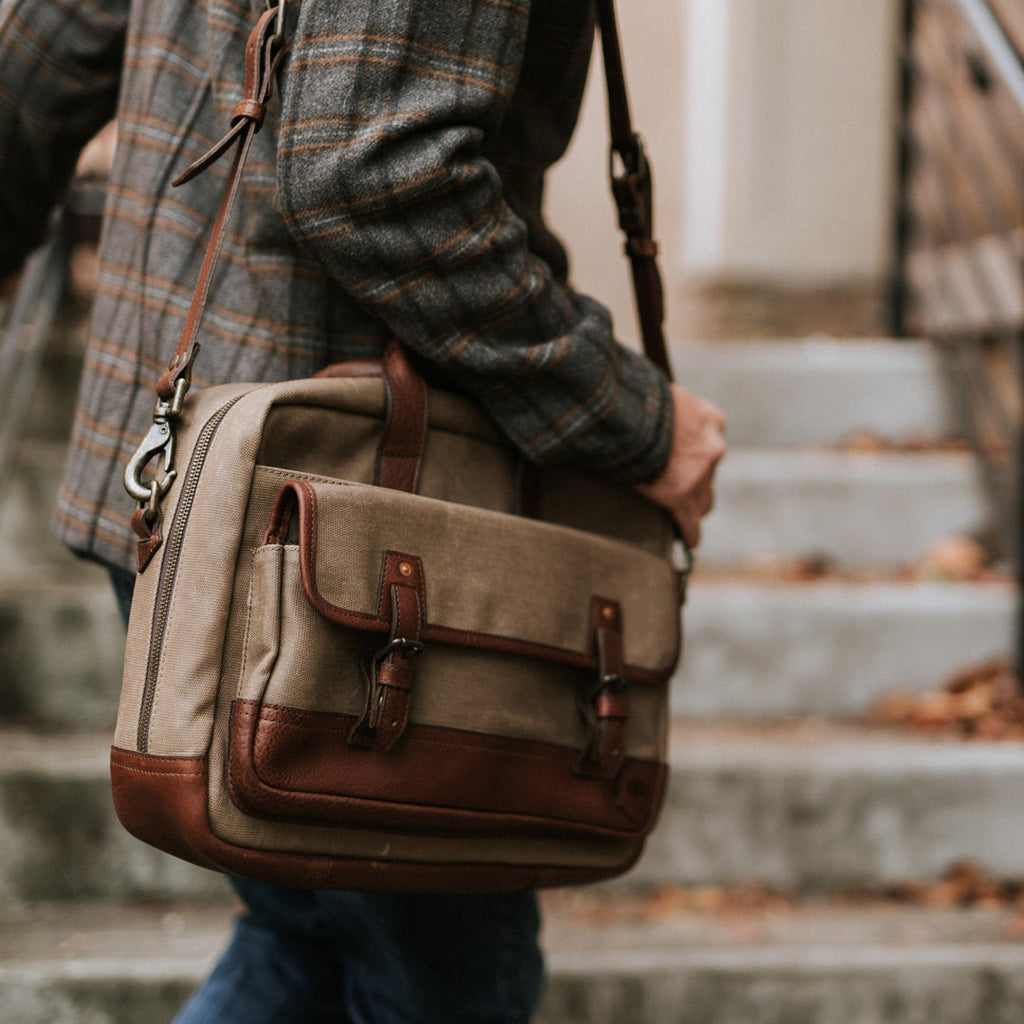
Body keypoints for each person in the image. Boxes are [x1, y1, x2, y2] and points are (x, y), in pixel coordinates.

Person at [0, 0, 725, 1021]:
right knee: (438, 978)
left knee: (307, 936)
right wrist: (638, 419)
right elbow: (374, 173)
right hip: (321, 500)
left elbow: (56, 39)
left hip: (178, 452)